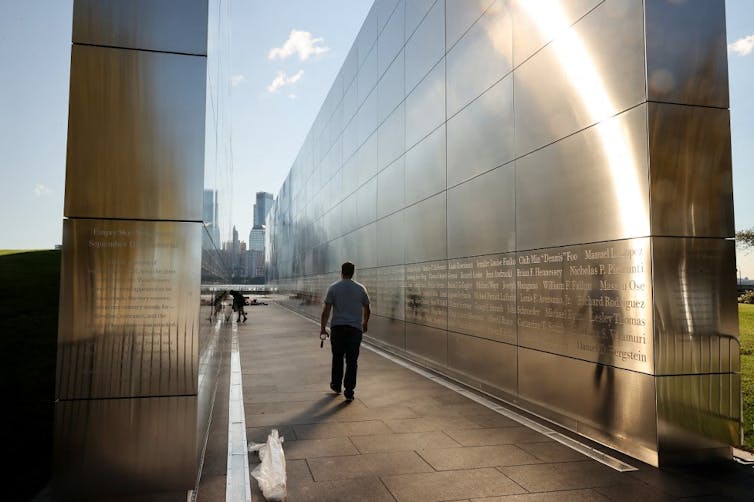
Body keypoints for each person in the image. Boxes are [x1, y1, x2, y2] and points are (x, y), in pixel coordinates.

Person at [320, 261, 370, 402]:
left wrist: (323, 328)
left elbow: (326, 310)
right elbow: (367, 308)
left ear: (341, 272)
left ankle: (336, 385)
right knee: (352, 361)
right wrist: (365, 322)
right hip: (355, 330)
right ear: (353, 272)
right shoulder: (361, 289)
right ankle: (349, 391)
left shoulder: (334, 288)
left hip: (338, 329)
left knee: (337, 358)